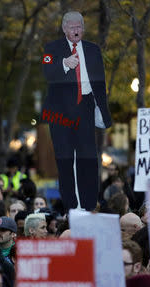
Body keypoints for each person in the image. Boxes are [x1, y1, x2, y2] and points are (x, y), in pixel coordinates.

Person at [42, 11, 112, 211]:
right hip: (60, 113)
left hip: (85, 108)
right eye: (72, 27)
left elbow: (101, 81)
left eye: (79, 27)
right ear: (64, 29)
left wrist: (101, 109)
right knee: (64, 159)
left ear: (83, 29)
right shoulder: (51, 48)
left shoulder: (93, 50)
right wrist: (63, 64)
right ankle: (70, 206)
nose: (76, 30)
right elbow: (46, 72)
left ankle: (89, 203)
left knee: (88, 157)